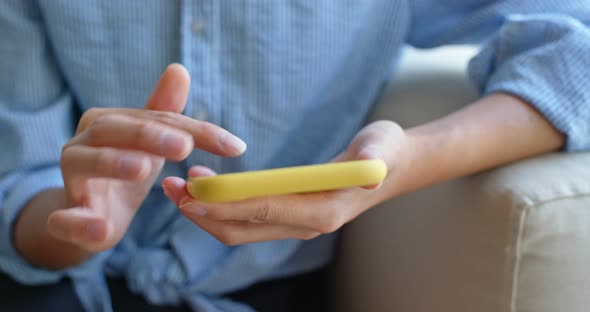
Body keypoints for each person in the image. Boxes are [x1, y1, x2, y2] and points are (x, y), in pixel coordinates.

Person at [1, 1, 589, 311]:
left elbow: (578, 44)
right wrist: (83, 225)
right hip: (60, 281)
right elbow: (19, 187)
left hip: (278, 285)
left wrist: (411, 159)